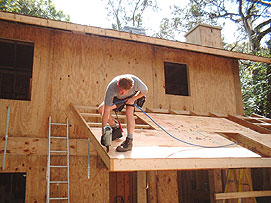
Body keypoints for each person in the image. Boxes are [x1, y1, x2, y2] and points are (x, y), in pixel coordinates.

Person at [98, 74, 148, 152]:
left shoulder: (136, 83)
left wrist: (134, 98)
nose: (123, 92)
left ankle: (129, 140)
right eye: (121, 90)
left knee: (129, 112)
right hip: (118, 98)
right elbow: (106, 111)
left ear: (131, 87)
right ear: (118, 84)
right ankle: (115, 128)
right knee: (101, 109)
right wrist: (103, 133)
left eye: (125, 91)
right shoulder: (111, 89)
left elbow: (145, 90)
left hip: (132, 97)